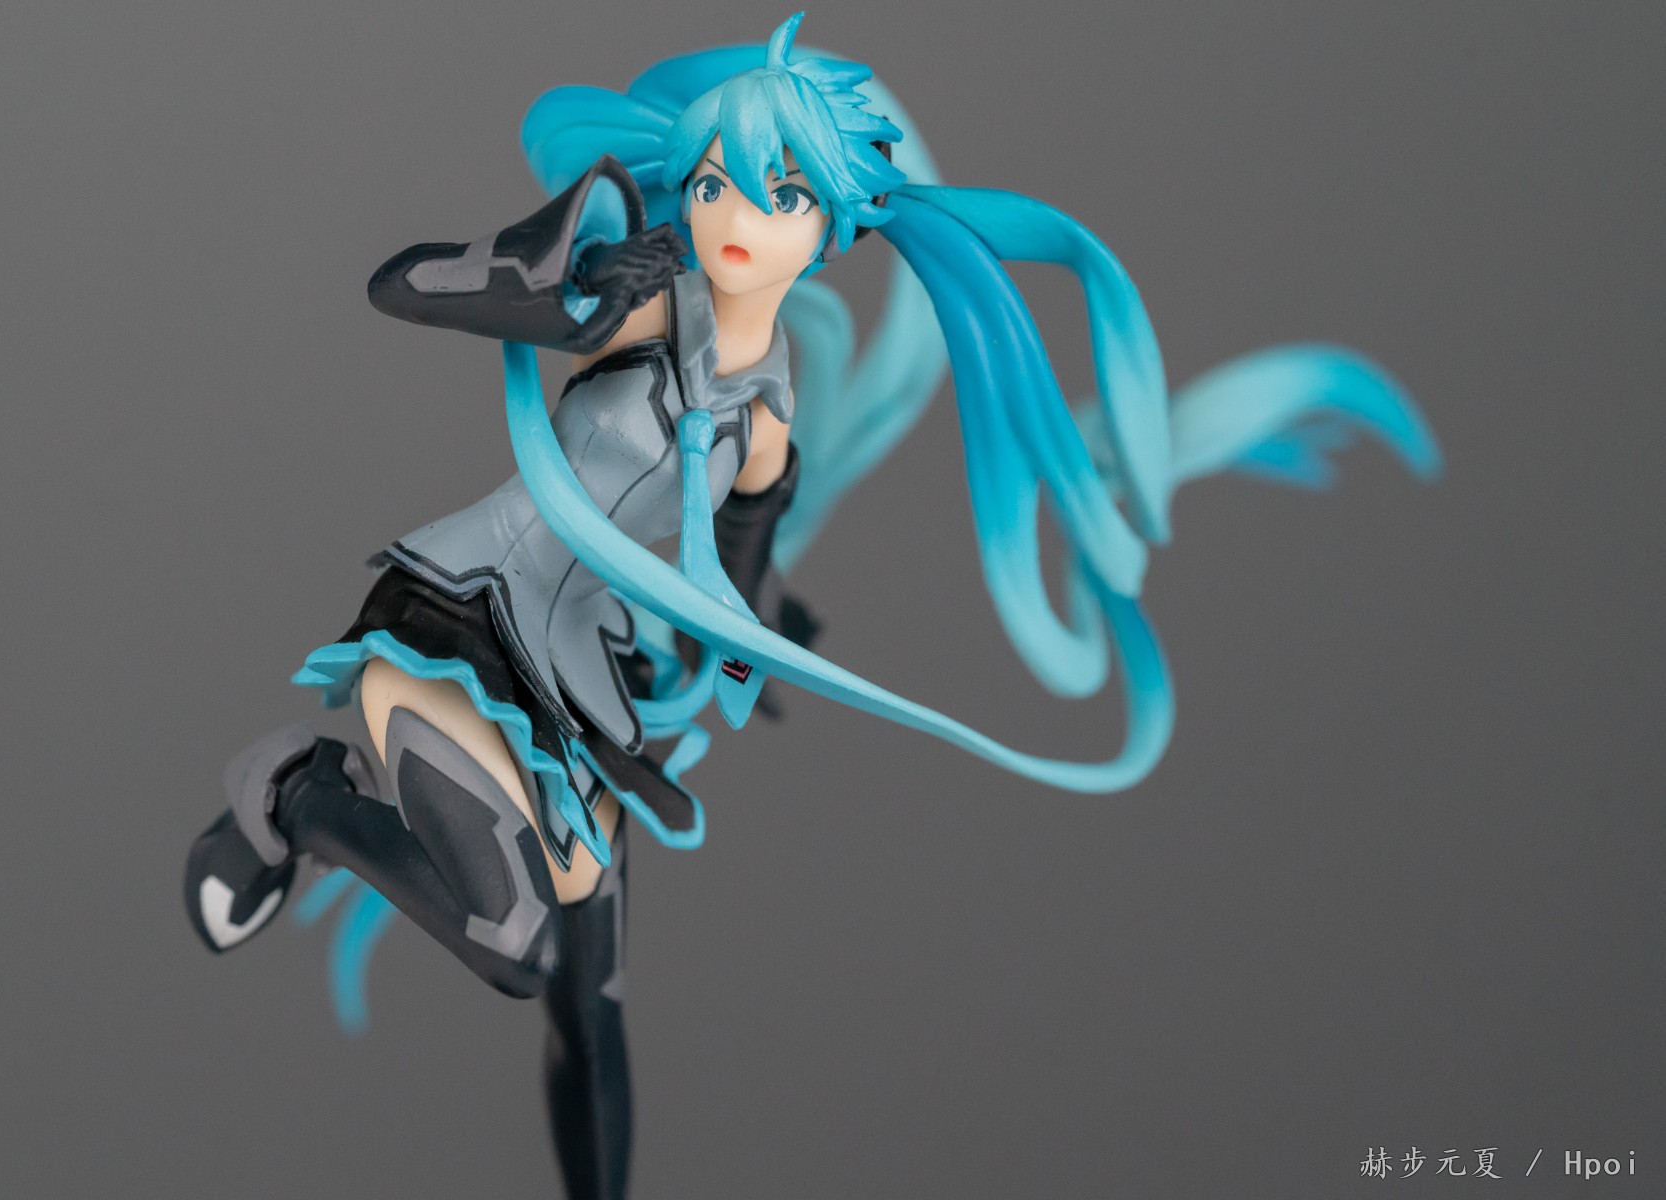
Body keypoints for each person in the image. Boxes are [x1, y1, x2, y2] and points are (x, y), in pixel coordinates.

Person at [182, 14, 1439, 1200]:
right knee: (511, 939)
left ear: (832, 226)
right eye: (717, 183)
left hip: (579, 691)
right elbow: (400, 284)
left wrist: (760, 642)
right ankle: (293, 792)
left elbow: (735, 572)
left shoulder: (769, 417)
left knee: (589, 997)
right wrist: (564, 279)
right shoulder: (637, 298)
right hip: (457, 622)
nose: (737, 218)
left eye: (781, 196)